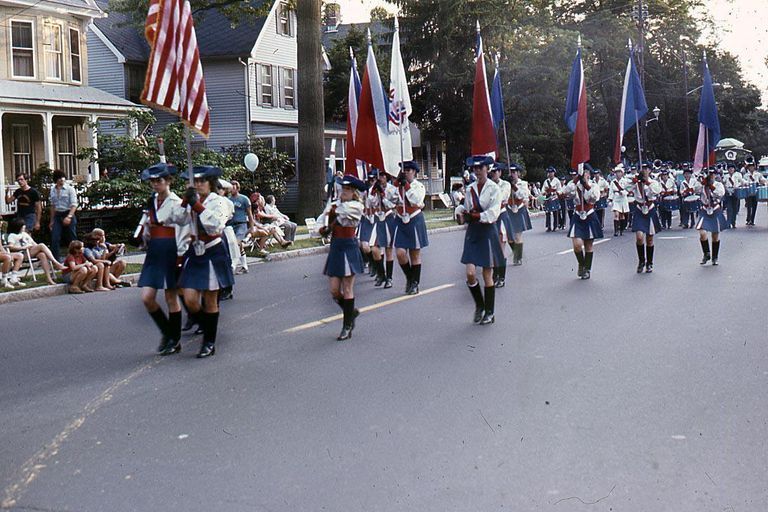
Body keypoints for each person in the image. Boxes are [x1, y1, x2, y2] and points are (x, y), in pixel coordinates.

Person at [177, 166, 235, 358]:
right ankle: (205, 324)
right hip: (194, 252)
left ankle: (209, 342)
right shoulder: (191, 200)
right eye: (196, 181)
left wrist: (198, 206)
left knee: (210, 300)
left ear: (210, 183)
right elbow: (176, 220)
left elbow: (215, 225)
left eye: (202, 181)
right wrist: (186, 202)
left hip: (212, 251)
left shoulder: (218, 201)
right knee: (190, 299)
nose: (199, 184)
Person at [136, 163, 190, 355]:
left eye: (159, 181)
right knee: (147, 298)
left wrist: (181, 256)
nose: (155, 184)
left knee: (170, 297)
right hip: (154, 251)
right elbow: (148, 227)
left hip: (171, 250)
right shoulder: (152, 201)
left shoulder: (177, 203)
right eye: (153, 181)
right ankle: (168, 333)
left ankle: (174, 340)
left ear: (169, 181)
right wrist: (143, 235)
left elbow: (184, 228)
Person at [317, 174, 366, 340]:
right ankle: (350, 311)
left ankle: (347, 326)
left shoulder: (355, 206)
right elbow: (322, 220)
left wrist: (331, 209)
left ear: (353, 192)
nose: (343, 192)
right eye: (342, 188)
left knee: (347, 288)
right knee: (334, 290)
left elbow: (340, 213)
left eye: (347, 189)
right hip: (336, 246)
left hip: (349, 246)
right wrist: (322, 228)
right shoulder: (335, 204)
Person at [455, 155, 503, 325]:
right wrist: (460, 212)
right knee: (469, 273)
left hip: (487, 230)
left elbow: (493, 213)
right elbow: (466, 207)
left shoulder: (494, 188)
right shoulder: (470, 189)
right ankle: (479, 305)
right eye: (475, 168)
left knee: (487, 273)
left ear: (487, 169)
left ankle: (490, 312)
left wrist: (476, 215)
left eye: (481, 168)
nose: (478, 171)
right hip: (473, 232)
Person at [393, 161, 428, 295]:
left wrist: (406, 187)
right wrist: (396, 185)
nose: (406, 172)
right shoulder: (397, 186)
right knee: (400, 253)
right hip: (401, 220)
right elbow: (390, 199)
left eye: (409, 170)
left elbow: (416, 200)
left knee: (415, 254)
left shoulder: (418, 186)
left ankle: (415, 283)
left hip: (414, 219)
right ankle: (409, 277)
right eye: (404, 170)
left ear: (414, 172)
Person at [564, 167, 601, 279]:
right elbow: (566, 192)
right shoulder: (573, 184)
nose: (583, 175)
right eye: (581, 173)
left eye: (585, 173)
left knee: (588, 245)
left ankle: (587, 269)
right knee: (577, 245)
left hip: (589, 214)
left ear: (589, 174)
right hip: (578, 214)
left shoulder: (593, 185)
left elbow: (594, 198)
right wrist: (575, 181)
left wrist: (586, 185)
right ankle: (581, 263)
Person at [5, 218, 66, 285]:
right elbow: (10, 247)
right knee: (42, 245)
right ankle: (56, 263)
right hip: (23, 254)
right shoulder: (12, 235)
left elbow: (34, 243)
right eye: (23, 225)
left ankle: (49, 278)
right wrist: (23, 247)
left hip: (31, 251)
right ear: (18, 226)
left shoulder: (25, 234)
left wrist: (38, 248)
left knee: (42, 254)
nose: (24, 226)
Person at [630, 163, 662, 273]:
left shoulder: (654, 182)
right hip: (639, 209)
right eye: (643, 168)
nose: (644, 170)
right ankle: (641, 260)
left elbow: (656, 191)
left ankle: (649, 262)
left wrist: (646, 182)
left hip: (650, 208)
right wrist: (635, 181)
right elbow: (626, 188)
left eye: (646, 169)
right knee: (639, 236)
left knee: (649, 238)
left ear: (650, 170)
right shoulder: (637, 182)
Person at [370, 170, 399, 288]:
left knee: (388, 249)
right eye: (379, 176)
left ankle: (389, 278)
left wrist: (384, 196)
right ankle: (381, 274)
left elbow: (393, 205)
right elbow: (370, 203)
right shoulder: (373, 189)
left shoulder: (392, 189)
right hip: (378, 218)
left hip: (388, 217)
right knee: (375, 249)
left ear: (386, 177)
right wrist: (374, 193)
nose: (380, 178)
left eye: (382, 175)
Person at [696, 168, 728, 265]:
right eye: (708, 174)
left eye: (712, 174)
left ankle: (715, 257)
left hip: (715, 209)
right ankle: (706, 253)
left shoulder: (719, 185)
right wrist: (702, 184)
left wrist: (711, 186)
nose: (710, 176)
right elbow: (695, 190)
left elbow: (720, 194)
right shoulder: (702, 184)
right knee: (702, 232)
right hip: (705, 209)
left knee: (715, 235)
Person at [48, 170, 78, 261]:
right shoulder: (53, 190)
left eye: (63, 177)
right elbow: (53, 206)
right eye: (59, 178)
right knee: (55, 237)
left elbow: (74, 205)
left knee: (72, 237)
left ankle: (76, 258)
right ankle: (55, 260)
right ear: (56, 179)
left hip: (68, 212)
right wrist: (52, 220)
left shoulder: (69, 189)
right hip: (58, 215)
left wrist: (69, 217)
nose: (62, 179)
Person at [506, 163, 532, 266]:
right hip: (509, 209)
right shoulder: (506, 184)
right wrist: (508, 185)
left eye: (514, 172)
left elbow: (523, 195)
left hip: (519, 209)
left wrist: (514, 186)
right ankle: (516, 251)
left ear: (518, 173)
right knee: (509, 237)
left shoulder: (523, 184)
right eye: (511, 172)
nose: (512, 174)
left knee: (517, 236)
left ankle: (518, 257)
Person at [489, 162, 510, 287]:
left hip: (501, 216)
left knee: (501, 249)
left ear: (500, 172)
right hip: (491, 218)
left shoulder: (505, 185)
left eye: (496, 172)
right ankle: (494, 274)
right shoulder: (488, 185)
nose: (493, 174)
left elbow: (501, 198)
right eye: (492, 172)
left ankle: (501, 277)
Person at [227, 180, 254, 274]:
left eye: (234, 187)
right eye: (231, 187)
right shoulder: (228, 200)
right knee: (238, 245)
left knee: (236, 243)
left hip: (241, 224)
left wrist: (251, 227)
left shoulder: (244, 199)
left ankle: (233, 265)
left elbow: (250, 214)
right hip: (230, 225)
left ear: (237, 188)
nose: (232, 189)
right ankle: (245, 267)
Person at [358, 170, 379, 275]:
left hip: (376, 218)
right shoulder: (365, 191)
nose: (372, 182)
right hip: (366, 218)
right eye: (370, 180)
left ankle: (376, 265)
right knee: (364, 245)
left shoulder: (378, 191)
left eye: (373, 180)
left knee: (373, 247)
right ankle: (371, 262)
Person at [610, 164, 630, 236]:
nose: (617, 174)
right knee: (616, 215)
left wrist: (623, 192)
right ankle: (616, 231)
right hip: (616, 199)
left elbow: (628, 190)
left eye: (619, 172)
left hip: (623, 199)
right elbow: (611, 191)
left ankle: (621, 229)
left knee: (622, 215)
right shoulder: (613, 182)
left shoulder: (625, 181)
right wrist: (610, 199)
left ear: (622, 173)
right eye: (616, 172)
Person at [743, 160, 765, 226]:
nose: (751, 168)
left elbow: (763, 180)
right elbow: (743, 181)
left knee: (755, 206)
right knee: (749, 206)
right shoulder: (746, 175)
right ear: (748, 168)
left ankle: (752, 220)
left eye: (752, 166)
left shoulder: (758, 174)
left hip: (756, 192)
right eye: (750, 167)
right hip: (748, 192)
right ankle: (748, 219)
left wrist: (762, 182)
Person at [542, 167, 562, 232]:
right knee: (547, 212)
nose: (550, 174)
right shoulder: (546, 181)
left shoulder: (557, 181)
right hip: (547, 197)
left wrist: (556, 192)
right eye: (549, 172)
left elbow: (560, 189)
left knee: (555, 212)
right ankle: (548, 226)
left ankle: (555, 226)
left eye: (551, 172)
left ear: (554, 173)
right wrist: (544, 192)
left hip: (554, 197)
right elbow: (543, 189)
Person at [723, 163, 742, 229]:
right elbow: (723, 183)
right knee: (729, 208)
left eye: (732, 168)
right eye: (729, 168)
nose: (731, 169)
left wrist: (738, 186)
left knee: (735, 208)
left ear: (734, 169)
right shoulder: (726, 176)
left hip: (735, 191)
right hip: (728, 192)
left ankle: (733, 222)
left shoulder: (738, 175)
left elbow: (741, 181)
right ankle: (728, 223)